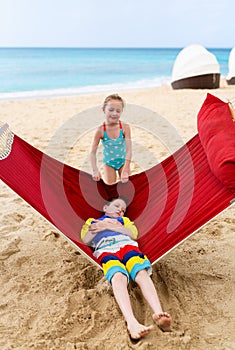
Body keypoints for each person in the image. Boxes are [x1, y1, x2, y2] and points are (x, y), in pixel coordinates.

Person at [81, 197, 172, 341]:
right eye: (117, 206)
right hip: (106, 250)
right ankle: (132, 322)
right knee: (118, 277)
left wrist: (110, 226)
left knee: (141, 273)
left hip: (128, 246)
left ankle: (159, 314)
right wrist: (102, 225)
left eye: (123, 210)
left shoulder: (125, 221)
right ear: (105, 208)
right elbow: (86, 239)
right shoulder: (92, 221)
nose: (120, 210)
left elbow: (133, 235)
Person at [90, 94, 132, 185]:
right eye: (111, 110)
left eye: (118, 111)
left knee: (127, 186)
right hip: (109, 163)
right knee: (110, 188)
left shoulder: (125, 127)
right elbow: (92, 153)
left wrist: (126, 168)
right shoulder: (100, 130)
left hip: (124, 162)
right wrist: (95, 170)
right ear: (103, 110)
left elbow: (129, 150)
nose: (114, 113)